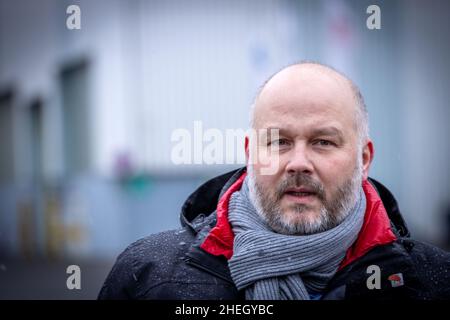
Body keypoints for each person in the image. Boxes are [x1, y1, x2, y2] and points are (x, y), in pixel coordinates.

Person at [98, 62, 450, 300]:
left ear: (364, 159)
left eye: (323, 142)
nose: (298, 164)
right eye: (278, 141)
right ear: (251, 154)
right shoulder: (150, 277)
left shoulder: (432, 281)